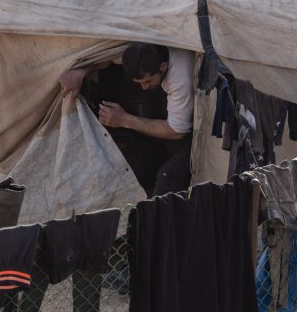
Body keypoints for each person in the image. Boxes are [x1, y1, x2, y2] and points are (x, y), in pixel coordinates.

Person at [59, 42, 195, 197]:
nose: (144, 87)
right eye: (140, 83)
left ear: (163, 66)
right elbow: (108, 57)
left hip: (188, 131)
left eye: (148, 81)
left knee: (168, 179)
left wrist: (124, 119)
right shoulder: (135, 50)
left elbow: (177, 131)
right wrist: (81, 71)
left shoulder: (181, 79)